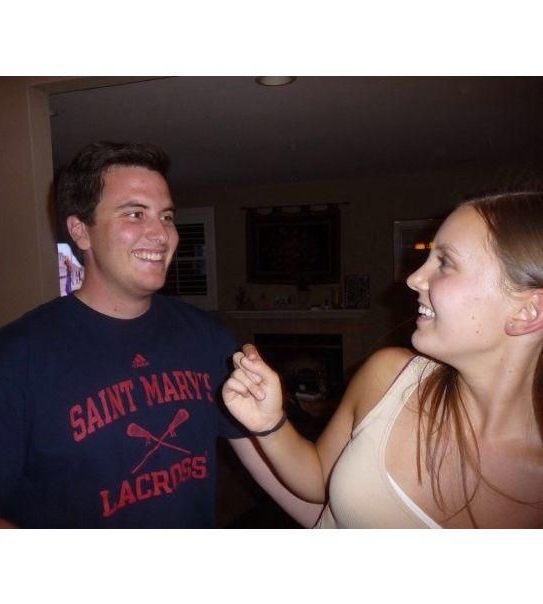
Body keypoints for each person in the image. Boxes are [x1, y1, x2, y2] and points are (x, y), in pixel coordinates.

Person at [0, 141, 322, 528]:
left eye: (166, 216)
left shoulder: (210, 340)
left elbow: (279, 476)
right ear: (80, 231)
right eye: (135, 214)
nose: (162, 234)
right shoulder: (4, 364)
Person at [224, 191, 543, 528]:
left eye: (445, 263)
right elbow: (319, 480)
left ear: (527, 312)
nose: (413, 279)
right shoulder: (389, 376)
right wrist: (270, 424)